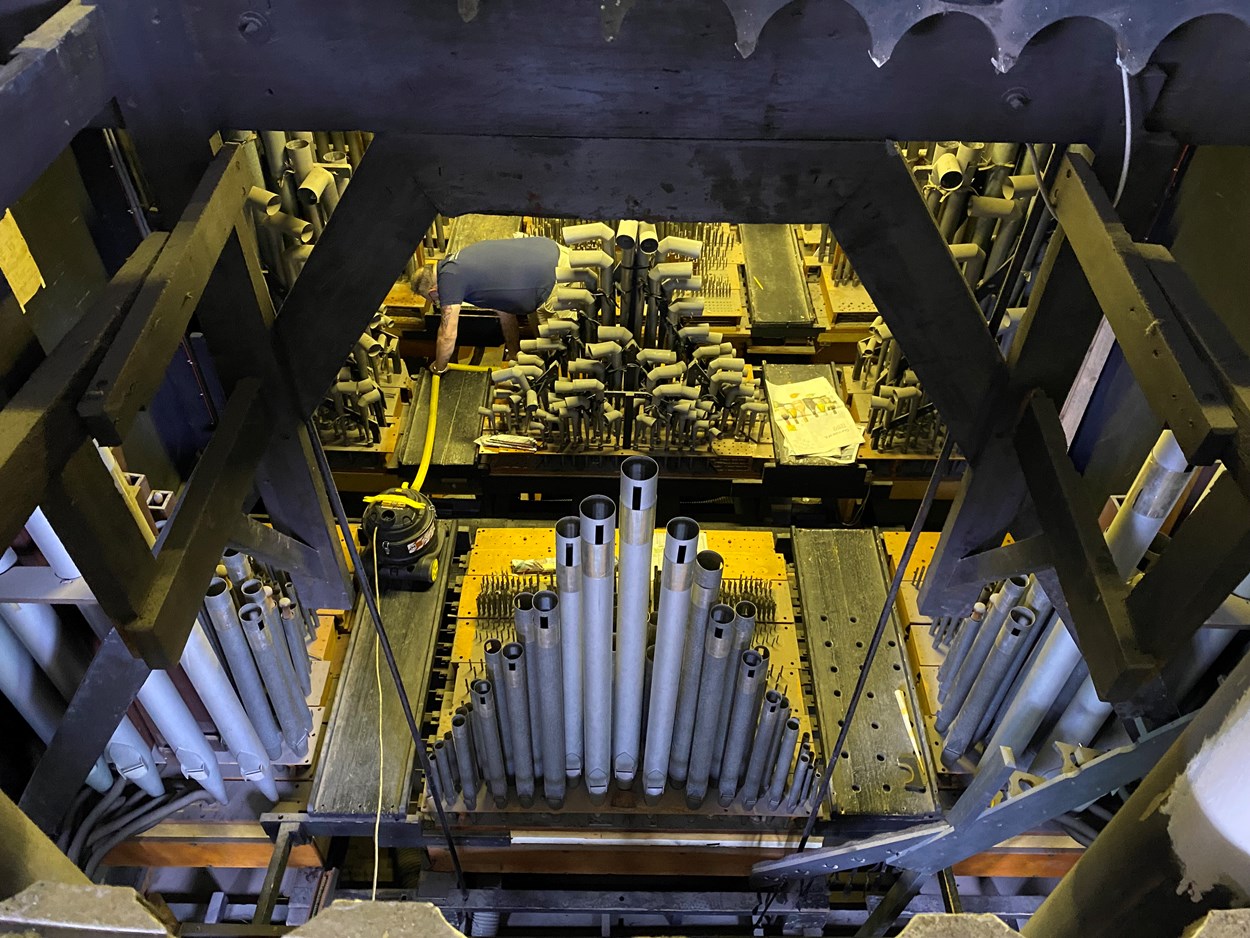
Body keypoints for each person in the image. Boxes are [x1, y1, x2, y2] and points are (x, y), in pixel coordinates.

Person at [414, 236, 563, 373]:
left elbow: (447, 335)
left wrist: (439, 367)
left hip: (556, 281)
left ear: (433, 292)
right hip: (551, 252)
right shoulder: (455, 262)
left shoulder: (449, 280)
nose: (435, 302)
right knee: (543, 341)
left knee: (557, 356)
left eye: (432, 299)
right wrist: (514, 356)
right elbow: (506, 312)